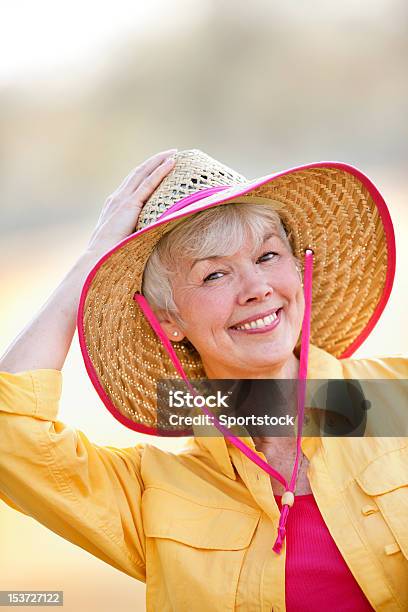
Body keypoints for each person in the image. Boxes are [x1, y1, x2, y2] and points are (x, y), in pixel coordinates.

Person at [0, 148, 407, 612]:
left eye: (268, 255)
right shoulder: (156, 492)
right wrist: (90, 263)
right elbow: (10, 435)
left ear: (300, 269)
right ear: (167, 319)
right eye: (214, 274)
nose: (256, 288)